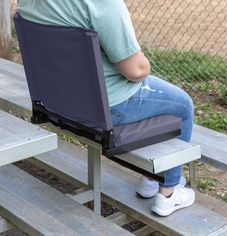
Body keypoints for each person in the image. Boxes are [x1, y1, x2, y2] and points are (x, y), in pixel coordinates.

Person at [17, 0, 195, 216]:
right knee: (183, 105)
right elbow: (136, 70)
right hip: (106, 107)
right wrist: (145, 65)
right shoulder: (102, 3)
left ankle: (151, 179)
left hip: (56, 104)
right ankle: (169, 191)